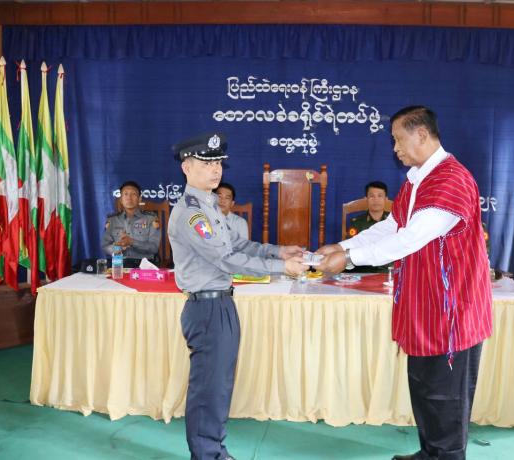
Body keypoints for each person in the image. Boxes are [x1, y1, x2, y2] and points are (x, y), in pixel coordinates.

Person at [317, 106, 492, 460]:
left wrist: (349, 259)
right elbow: (392, 226)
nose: (394, 148)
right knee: (425, 388)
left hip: (451, 312)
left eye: (398, 139)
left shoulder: (451, 179)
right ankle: (430, 452)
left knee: (446, 396)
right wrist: (342, 246)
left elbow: (409, 239)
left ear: (422, 135)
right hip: (424, 306)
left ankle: (446, 455)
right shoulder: (417, 179)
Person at [168, 132, 305, 460]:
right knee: (209, 388)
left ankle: (215, 449)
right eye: (206, 163)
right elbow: (226, 259)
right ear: (186, 167)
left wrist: (278, 251)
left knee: (219, 385)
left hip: (221, 304)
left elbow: (238, 244)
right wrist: (282, 268)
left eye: (218, 163)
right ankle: (207, 454)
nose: (215, 169)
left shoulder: (209, 205)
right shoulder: (191, 213)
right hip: (207, 308)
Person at [101, 180, 161, 267]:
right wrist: (117, 248)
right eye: (125, 194)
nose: (129, 197)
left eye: (133, 194)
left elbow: (154, 248)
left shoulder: (151, 219)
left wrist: (131, 242)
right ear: (121, 199)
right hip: (119, 265)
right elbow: (105, 246)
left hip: (144, 265)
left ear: (139, 199)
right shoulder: (112, 220)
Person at [346, 181, 391, 273]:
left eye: (380, 196)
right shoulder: (357, 223)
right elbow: (350, 249)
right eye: (372, 196)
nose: (376, 200)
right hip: (364, 270)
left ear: (386, 199)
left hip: (388, 270)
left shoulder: (394, 221)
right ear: (366, 199)